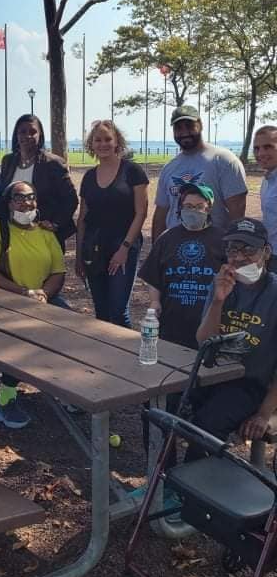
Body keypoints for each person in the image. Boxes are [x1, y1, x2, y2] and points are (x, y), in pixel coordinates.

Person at [0, 181, 67, 429]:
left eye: (31, 197)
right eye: (19, 198)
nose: (26, 203)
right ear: (8, 203)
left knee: (74, 330)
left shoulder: (47, 233)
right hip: (4, 301)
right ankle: (5, 400)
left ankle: (67, 390)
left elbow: (58, 272)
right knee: (22, 336)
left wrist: (44, 294)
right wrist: (22, 292)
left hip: (42, 300)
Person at [190, 218, 277, 461]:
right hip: (211, 373)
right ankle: (165, 474)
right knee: (161, 405)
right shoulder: (222, 283)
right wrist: (218, 301)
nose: (239, 257)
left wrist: (264, 413)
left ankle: (192, 482)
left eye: (249, 250)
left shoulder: (273, 293)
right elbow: (204, 341)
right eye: (232, 249)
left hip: (250, 383)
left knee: (207, 424)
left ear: (266, 252)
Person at [75, 120, 149, 328]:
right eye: (98, 140)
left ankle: (124, 347)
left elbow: (141, 213)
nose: (103, 144)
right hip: (94, 247)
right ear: (92, 144)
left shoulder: (132, 171)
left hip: (123, 245)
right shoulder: (89, 177)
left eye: (108, 139)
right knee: (101, 311)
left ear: (117, 141)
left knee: (118, 311)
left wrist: (125, 248)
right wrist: (79, 256)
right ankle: (103, 349)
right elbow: (82, 218)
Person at [139, 183, 225, 349]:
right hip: (171, 321)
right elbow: (153, 275)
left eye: (199, 207)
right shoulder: (167, 238)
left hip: (208, 320)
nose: (193, 211)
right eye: (188, 206)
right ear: (180, 208)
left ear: (208, 209)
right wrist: (155, 301)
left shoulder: (222, 240)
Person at [152, 105, 247, 242]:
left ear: (200, 125)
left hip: (213, 246)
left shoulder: (224, 160)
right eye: (178, 128)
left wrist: (234, 247)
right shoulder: (169, 168)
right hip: (176, 246)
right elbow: (161, 214)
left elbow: (237, 212)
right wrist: (156, 248)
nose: (184, 132)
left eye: (189, 126)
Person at [0, 114, 78, 249]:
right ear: (16, 135)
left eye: (33, 132)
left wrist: (55, 223)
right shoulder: (8, 161)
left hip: (43, 234)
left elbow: (71, 200)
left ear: (40, 135)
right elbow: (4, 196)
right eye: (22, 132)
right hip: (12, 233)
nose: (27, 136)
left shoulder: (53, 164)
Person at [254, 125, 277, 272]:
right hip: (270, 254)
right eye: (256, 148)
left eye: (268, 147)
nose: (261, 153)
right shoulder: (267, 180)